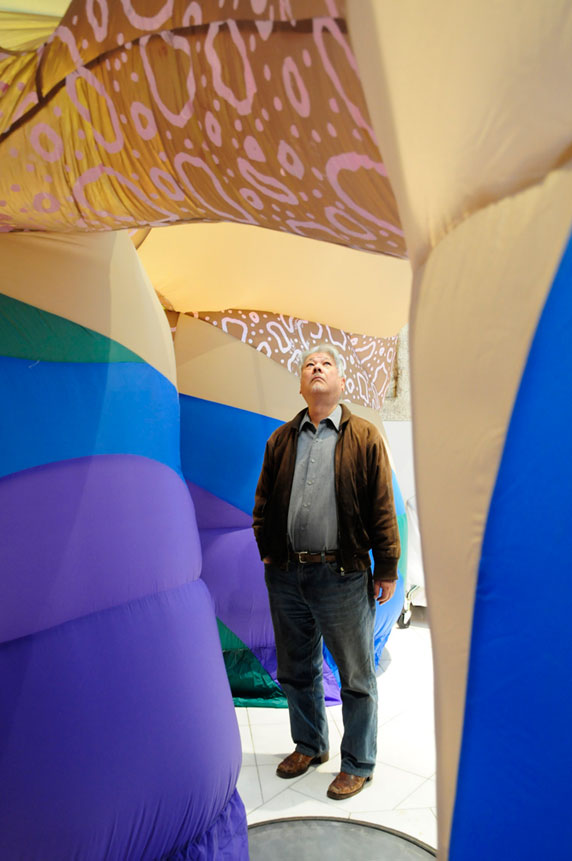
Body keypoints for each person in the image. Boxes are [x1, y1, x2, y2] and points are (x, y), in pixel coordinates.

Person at [252, 343, 401, 800]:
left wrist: (387, 566)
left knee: (356, 676)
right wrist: (268, 550)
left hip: (343, 575)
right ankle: (310, 745)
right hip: (286, 576)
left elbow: (381, 505)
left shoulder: (364, 437)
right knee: (297, 670)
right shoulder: (280, 440)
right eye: (309, 366)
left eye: (326, 364)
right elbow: (262, 503)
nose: (317, 368)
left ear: (341, 382)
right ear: (301, 386)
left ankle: (358, 762)